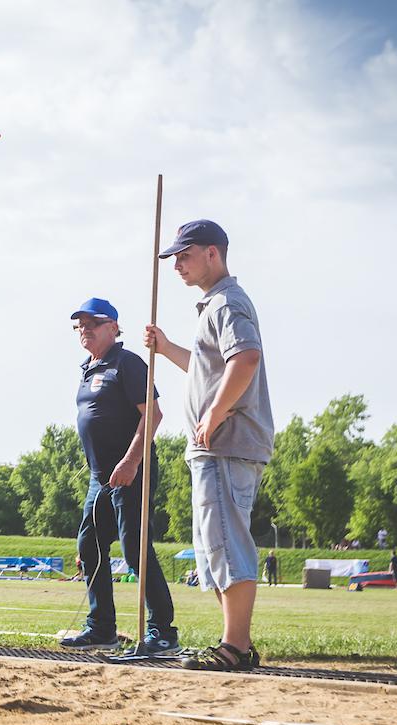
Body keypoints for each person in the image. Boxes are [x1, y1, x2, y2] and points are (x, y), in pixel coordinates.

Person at [145, 220, 274, 672]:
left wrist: (215, 414)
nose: (177, 264)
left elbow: (246, 357)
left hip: (227, 443)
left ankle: (235, 645)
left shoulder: (227, 302)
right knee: (213, 548)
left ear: (213, 254)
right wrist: (166, 349)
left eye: (185, 254)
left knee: (225, 543)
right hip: (216, 446)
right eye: (174, 257)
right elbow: (206, 369)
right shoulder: (213, 306)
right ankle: (236, 643)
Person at [61, 298, 179, 654]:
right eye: (80, 323)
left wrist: (130, 462)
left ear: (113, 327)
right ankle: (101, 628)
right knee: (90, 547)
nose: (86, 328)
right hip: (100, 477)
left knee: (134, 549)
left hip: (132, 470)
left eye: (93, 322)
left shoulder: (127, 363)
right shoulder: (88, 368)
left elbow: (153, 415)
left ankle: (162, 631)